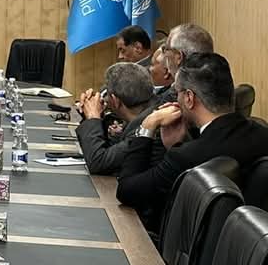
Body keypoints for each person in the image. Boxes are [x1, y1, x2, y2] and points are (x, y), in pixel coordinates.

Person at [117, 52, 268, 232]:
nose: (176, 99)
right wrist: (177, 144)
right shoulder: (262, 133)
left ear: (189, 98)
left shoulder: (186, 157)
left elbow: (126, 190)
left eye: (177, 92)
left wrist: (147, 127)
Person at [76, 62, 154, 175]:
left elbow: (98, 162)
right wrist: (97, 116)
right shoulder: (147, 111)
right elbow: (111, 150)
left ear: (115, 101)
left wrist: (93, 117)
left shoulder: (146, 129)